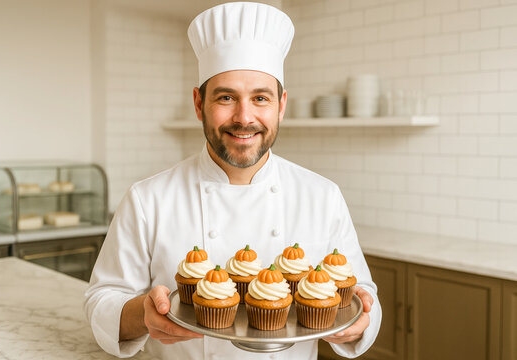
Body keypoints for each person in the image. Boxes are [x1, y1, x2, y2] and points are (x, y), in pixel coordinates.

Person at [84, 2, 381, 359]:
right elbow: (101, 301)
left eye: (261, 98)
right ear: (198, 104)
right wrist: (142, 315)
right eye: (226, 97)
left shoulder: (323, 196)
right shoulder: (148, 199)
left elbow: (363, 296)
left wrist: (359, 320)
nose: (244, 117)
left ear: (281, 105)